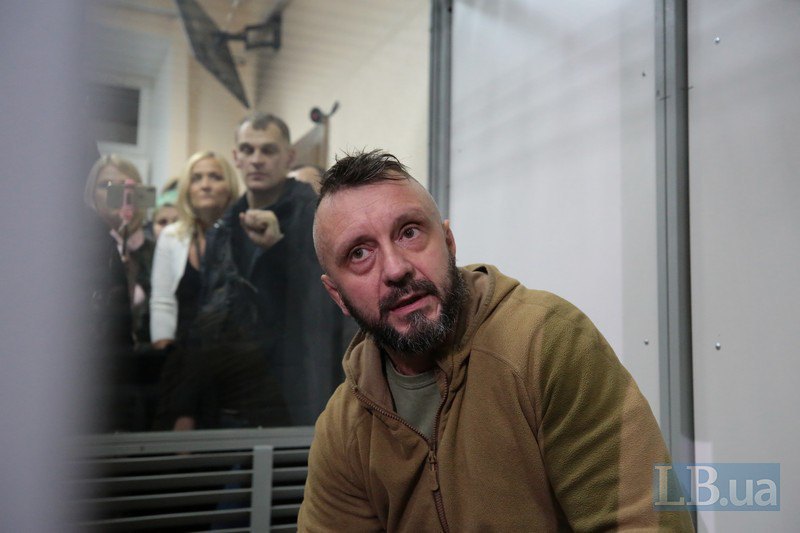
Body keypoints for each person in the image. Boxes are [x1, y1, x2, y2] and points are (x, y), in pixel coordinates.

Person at [299, 150, 694, 531]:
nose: (396, 269)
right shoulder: (344, 427)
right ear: (337, 296)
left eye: (410, 232)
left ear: (449, 242)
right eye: (360, 254)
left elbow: (646, 522)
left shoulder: (546, 343)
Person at [197, 111, 355, 426]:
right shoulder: (223, 228)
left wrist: (278, 249)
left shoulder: (319, 217)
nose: (257, 160)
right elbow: (205, 313)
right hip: (234, 391)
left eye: (268, 150)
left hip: (299, 390)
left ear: (289, 157)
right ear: (236, 157)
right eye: (248, 150)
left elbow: (332, 301)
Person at [150, 151, 240, 350]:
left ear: (230, 187)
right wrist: (164, 351)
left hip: (234, 353)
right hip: (181, 351)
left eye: (215, 177)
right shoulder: (171, 236)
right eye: (196, 178)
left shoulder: (244, 234)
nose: (205, 185)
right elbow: (163, 302)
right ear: (186, 189)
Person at [85, 154, 154, 348]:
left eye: (125, 185)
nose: (115, 192)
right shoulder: (81, 247)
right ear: (91, 194)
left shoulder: (152, 249)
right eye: (105, 185)